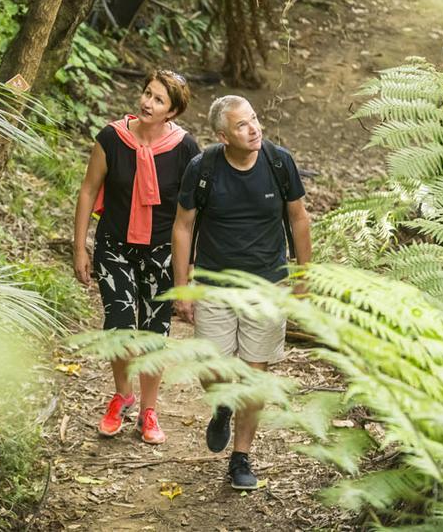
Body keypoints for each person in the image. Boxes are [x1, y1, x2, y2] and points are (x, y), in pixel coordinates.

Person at [170, 95, 312, 489]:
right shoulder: (204, 169)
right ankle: (221, 406)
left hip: (267, 283)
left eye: (254, 120)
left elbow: (299, 218)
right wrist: (182, 288)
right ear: (222, 136)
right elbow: (182, 226)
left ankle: (241, 458)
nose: (254, 129)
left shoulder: (279, 162)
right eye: (242, 126)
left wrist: (304, 277)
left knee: (254, 375)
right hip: (215, 283)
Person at [74, 70, 201, 444]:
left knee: (154, 332)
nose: (147, 102)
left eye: (159, 100)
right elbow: (87, 190)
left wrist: (187, 271)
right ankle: (121, 395)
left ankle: (148, 410)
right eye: (147, 93)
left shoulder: (185, 149)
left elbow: (191, 214)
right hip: (114, 244)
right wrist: (79, 246)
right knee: (118, 324)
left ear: (172, 112)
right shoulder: (112, 138)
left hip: (162, 250)